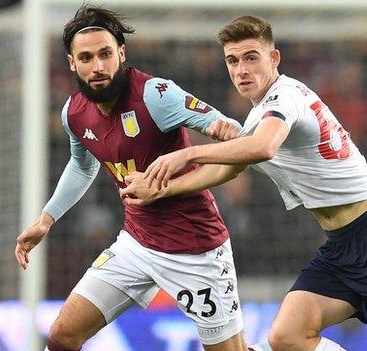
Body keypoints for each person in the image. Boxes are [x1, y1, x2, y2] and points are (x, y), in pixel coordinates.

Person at [122, 15, 367, 351]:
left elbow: (263, 147)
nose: (241, 70)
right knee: (286, 337)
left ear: (274, 58)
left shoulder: (285, 97)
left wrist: (186, 156)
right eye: (232, 61)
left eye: (251, 57)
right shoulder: (259, 114)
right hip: (342, 244)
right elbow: (229, 169)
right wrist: (162, 189)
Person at [14, 5, 249, 351]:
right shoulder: (74, 113)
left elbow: (241, 146)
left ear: (121, 53)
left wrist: (186, 164)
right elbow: (83, 166)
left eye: (106, 54)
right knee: (62, 336)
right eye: (86, 57)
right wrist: (46, 219)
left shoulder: (156, 95)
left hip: (196, 250)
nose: (98, 67)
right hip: (135, 245)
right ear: (71, 63)